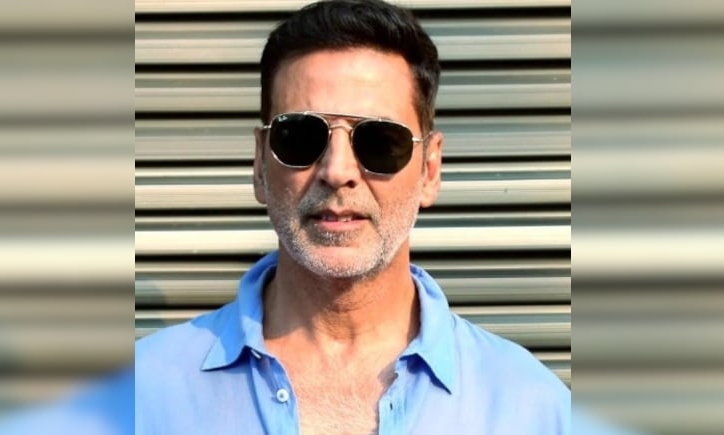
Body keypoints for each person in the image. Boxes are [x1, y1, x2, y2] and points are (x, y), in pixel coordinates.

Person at [135, 0, 570, 433]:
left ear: (430, 169)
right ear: (259, 164)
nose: (338, 171)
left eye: (380, 141)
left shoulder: (532, 409)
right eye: (300, 137)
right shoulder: (142, 397)